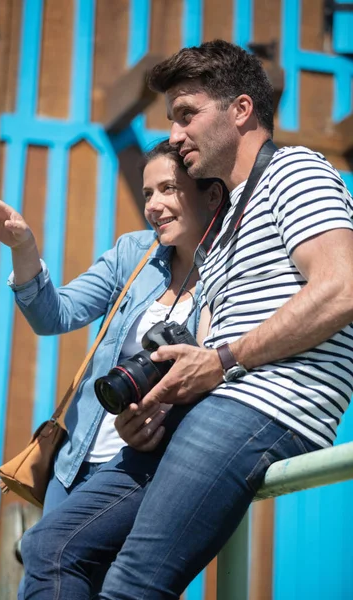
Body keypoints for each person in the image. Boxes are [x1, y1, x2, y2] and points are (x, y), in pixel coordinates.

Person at [91, 40, 353, 600]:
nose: (176, 135)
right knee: (57, 548)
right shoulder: (227, 216)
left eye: (188, 115)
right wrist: (157, 407)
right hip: (221, 402)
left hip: (268, 402)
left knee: (131, 583)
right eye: (172, 119)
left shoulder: (294, 169)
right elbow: (208, 349)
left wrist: (225, 359)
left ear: (240, 110)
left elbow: (343, 289)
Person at [0, 140, 226, 598]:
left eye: (169, 188)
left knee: (109, 582)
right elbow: (55, 315)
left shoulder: (229, 274)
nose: (155, 205)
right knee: (51, 569)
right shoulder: (135, 253)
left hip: (146, 468)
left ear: (209, 193)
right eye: (148, 193)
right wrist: (24, 247)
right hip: (76, 463)